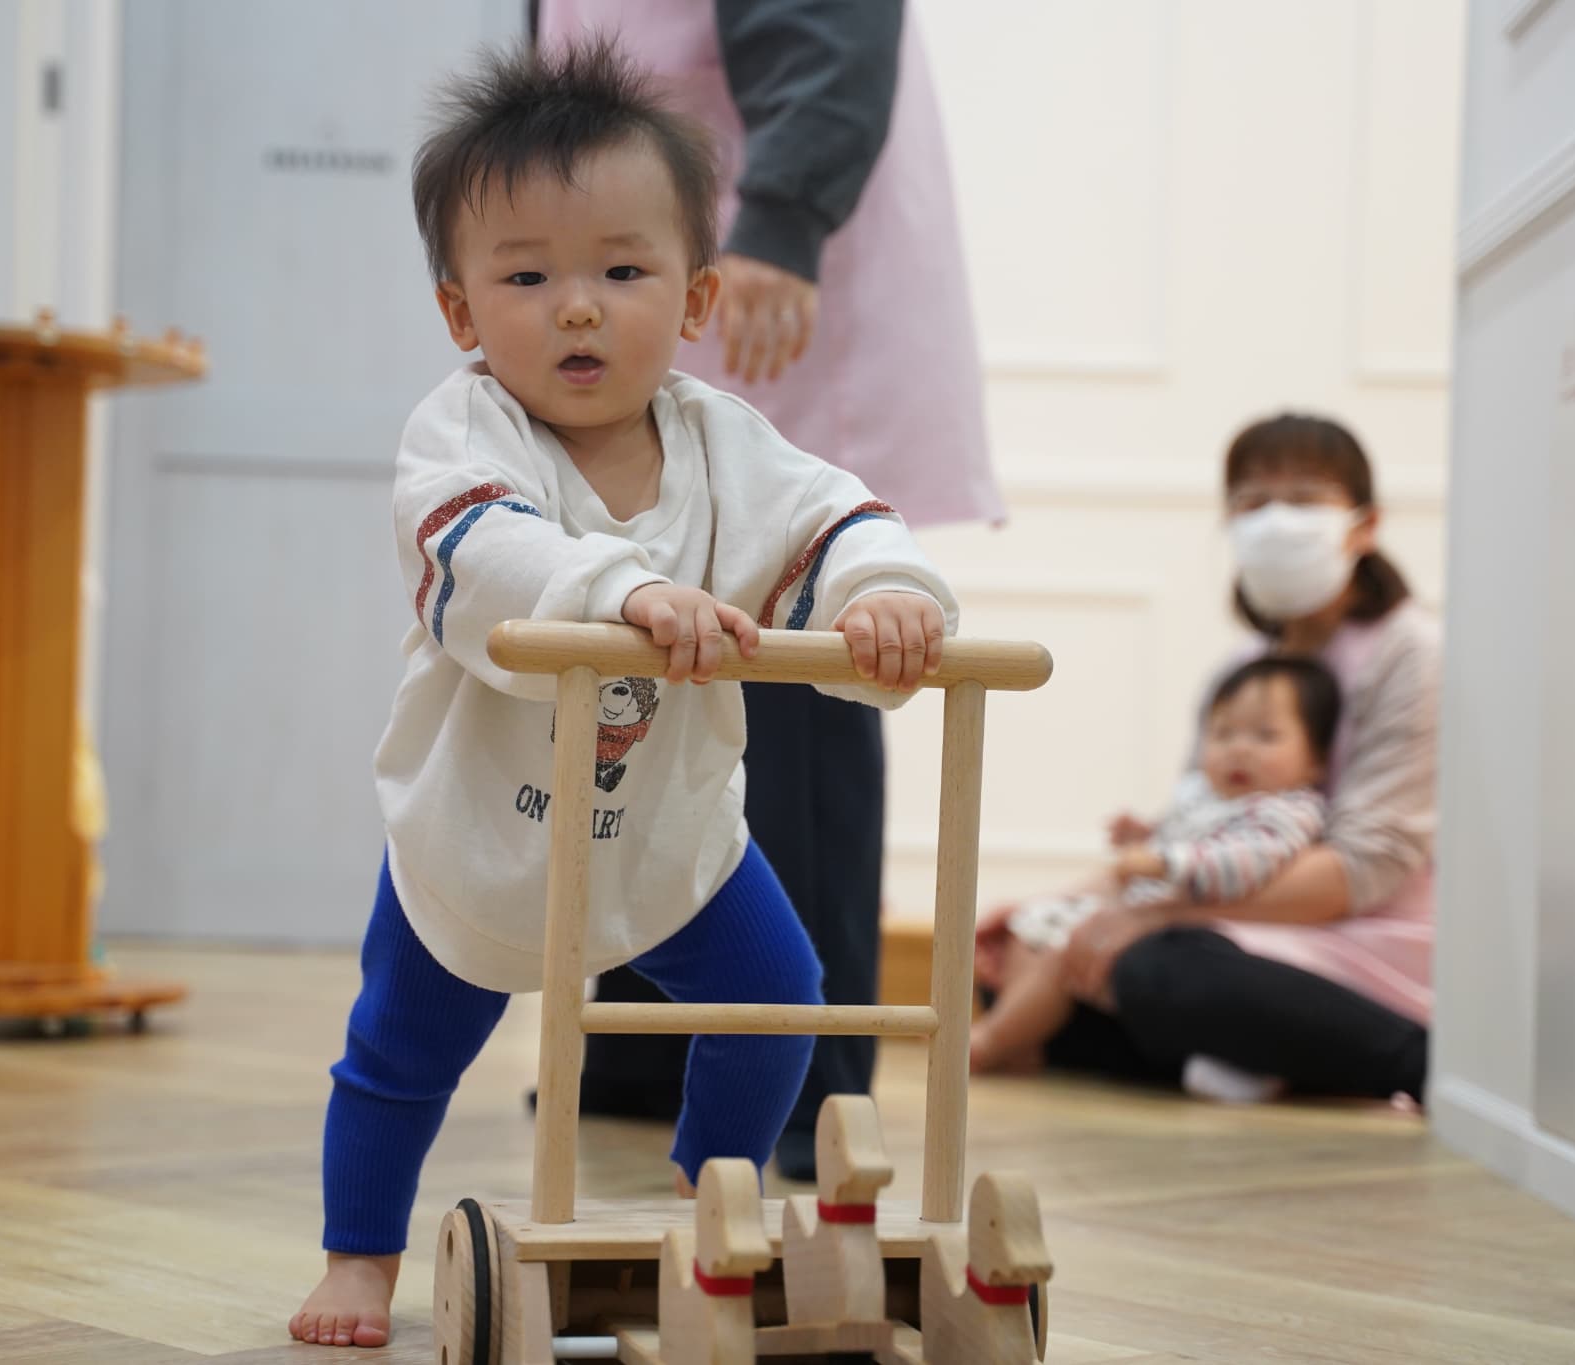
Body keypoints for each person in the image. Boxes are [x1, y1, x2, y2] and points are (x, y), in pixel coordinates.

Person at [286, 42, 957, 1349]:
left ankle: (713, 1198)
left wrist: (882, 590)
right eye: (527, 278)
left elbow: (832, 515)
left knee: (777, 995)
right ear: (461, 312)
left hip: (662, 819)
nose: (577, 311)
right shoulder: (463, 434)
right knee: (398, 1050)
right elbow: (481, 550)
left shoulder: (724, 444)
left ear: (696, 298)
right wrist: (627, 591)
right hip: (484, 822)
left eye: (621, 273)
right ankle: (359, 1255)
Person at [540, 0, 1003, 1183]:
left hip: (755, 277)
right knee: (636, 676)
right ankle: (649, 1043)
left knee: (786, 685)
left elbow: (826, 29)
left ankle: (801, 1072)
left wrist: (783, 220)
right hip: (639, 266)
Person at [975, 414, 1438, 1105]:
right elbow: (1193, 833)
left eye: (1304, 499)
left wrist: (1163, 915)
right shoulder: (1243, 668)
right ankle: (1265, 1057)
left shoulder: (1411, 653)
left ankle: (1419, 1063)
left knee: (1161, 968)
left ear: (1364, 525)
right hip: (1232, 920)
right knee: (1021, 955)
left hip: (1363, 939)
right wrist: (1060, 906)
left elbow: (1365, 869)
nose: (1276, 520)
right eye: (1253, 501)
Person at [971, 656, 1340, 1076]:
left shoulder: (1285, 811)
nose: (1239, 749)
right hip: (1140, 909)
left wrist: (1165, 861)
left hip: (1195, 928)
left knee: (1061, 948)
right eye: (1223, 733)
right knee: (1031, 929)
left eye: (1265, 735)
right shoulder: (1203, 794)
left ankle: (992, 1040)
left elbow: (1242, 863)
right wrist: (1144, 835)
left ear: (1316, 761)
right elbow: (1175, 834)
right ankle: (1025, 1040)